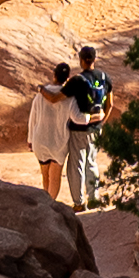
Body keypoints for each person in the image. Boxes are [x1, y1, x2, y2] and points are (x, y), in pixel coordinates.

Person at [50, 43, 114, 210]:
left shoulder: (77, 80)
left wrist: (43, 90)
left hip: (78, 129)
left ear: (81, 61)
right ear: (94, 59)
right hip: (96, 129)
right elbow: (111, 104)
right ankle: (94, 199)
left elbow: (56, 98)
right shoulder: (105, 78)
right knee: (91, 162)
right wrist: (101, 122)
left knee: (76, 164)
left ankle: (79, 203)